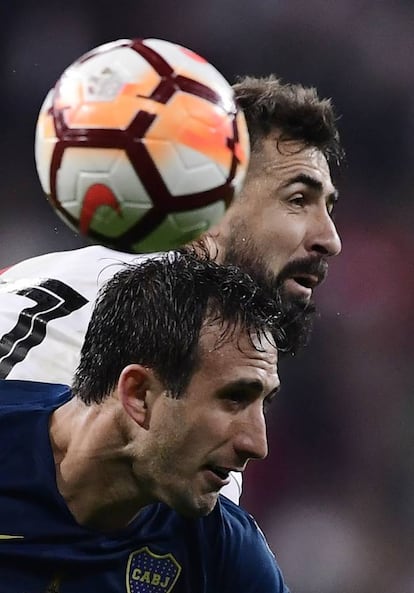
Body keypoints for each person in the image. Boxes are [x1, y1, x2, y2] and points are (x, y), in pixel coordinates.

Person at [0, 74, 344, 503]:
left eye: (328, 206)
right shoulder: (156, 358)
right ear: (208, 205)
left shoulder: (50, 273)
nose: (330, 239)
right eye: (297, 200)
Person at [0, 250, 292, 592]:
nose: (257, 445)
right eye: (234, 398)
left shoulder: (219, 551)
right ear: (139, 394)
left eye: (264, 403)